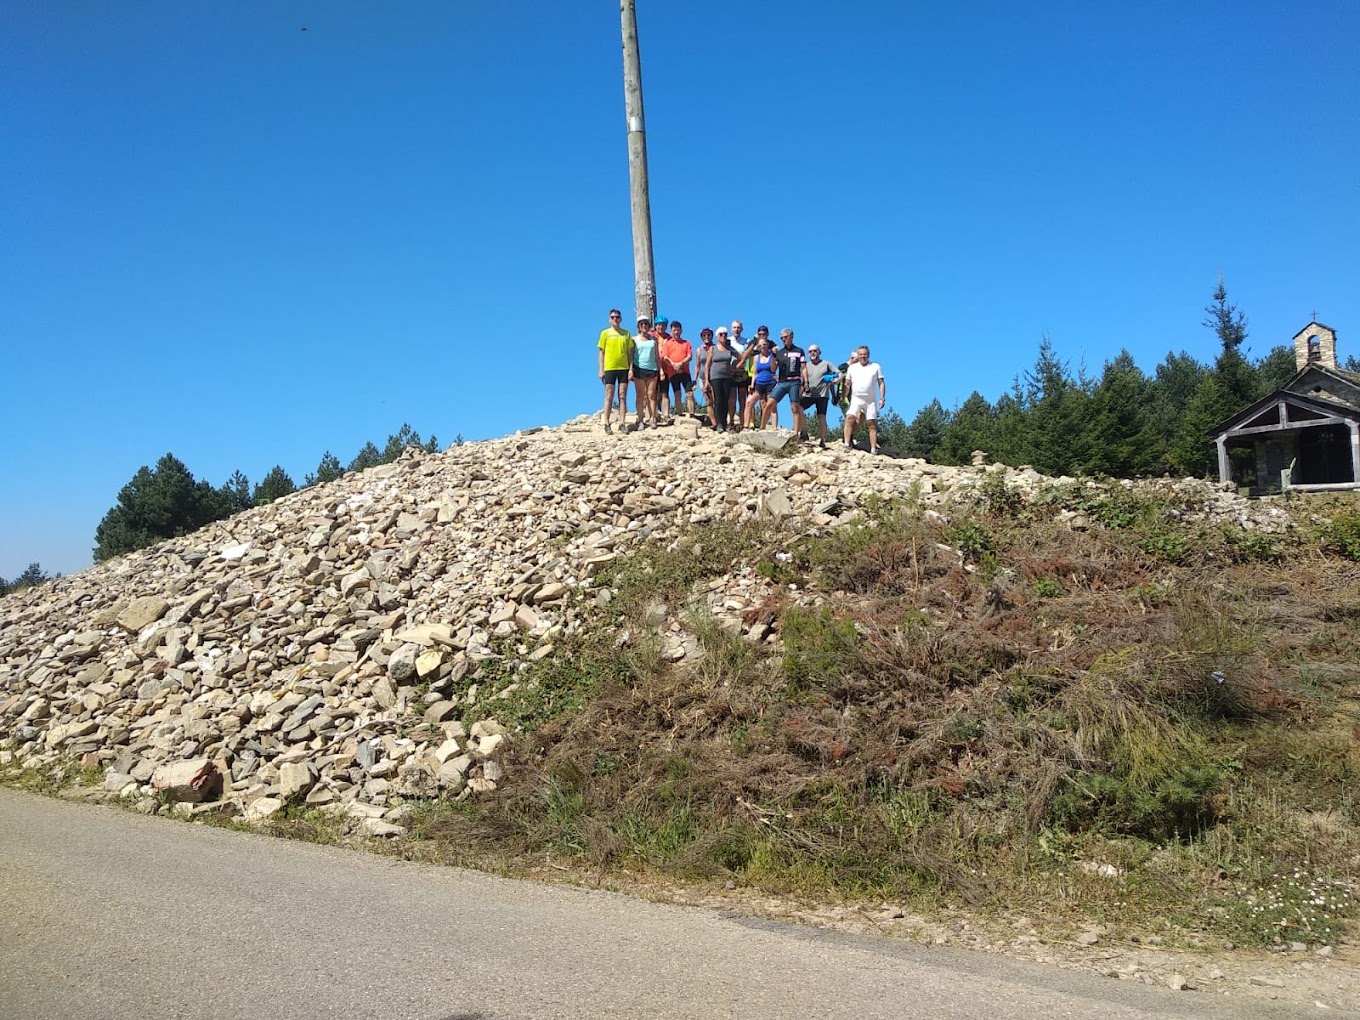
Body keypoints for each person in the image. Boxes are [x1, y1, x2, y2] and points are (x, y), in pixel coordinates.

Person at [843, 345, 887, 454]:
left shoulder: (875, 366)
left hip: (870, 400)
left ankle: (873, 449)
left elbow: (881, 383)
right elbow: (847, 383)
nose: (863, 356)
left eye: (865, 354)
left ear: (868, 355)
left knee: (871, 423)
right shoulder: (852, 368)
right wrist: (844, 396)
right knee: (849, 418)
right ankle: (846, 444)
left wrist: (882, 398)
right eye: (861, 354)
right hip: (856, 398)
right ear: (858, 355)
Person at [597, 308, 633, 434]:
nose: (615, 319)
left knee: (622, 396)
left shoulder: (626, 333)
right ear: (609, 319)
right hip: (610, 368)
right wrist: (601, 369)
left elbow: (630, 353)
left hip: (623, 368)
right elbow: (601, 352)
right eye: (612, 317)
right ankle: (606, 423)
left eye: (617, 317)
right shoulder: (605, 333)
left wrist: (631, 369)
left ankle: (622, 423)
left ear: (621, 319)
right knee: (609, 395)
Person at [771, 327, 807, 439]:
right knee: (770, 403)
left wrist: (806, 382)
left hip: (795, 381)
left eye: (785, 337)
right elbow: (773, 369)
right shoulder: (780, 353)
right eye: (781, 338)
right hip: (782, 382)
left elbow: (803, 368)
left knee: (795, 407)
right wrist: (773, 356)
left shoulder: (799, 351)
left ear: (791, 336)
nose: (783, 340)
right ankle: (764, 428)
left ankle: (796, 433)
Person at [800, 343, 838, 449]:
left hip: (823, 394)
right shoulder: (805, 366)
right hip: (809, 394)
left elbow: (838, 373)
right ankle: (803, 432)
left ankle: (822, 440)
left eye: (815, 351)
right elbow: (801, 380)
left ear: (819, 352)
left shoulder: (826, 364)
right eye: (810, 351)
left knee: (821, 417)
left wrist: (835, 381)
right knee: (798, 408)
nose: (812, 353)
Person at [738, 332, 779, 429]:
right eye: (760, 345)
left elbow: (774, 369)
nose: (762, 346)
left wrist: (773, 357)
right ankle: (746, 426)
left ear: (768, 345)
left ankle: (774, 428)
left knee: (771, 406)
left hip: (770, 383)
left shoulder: (772, 357)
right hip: (759, 383)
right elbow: (755, 373)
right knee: (749, 402)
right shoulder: (756, 357)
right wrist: (752, 384)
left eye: (764, 344)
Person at [704, 327, 739, 432]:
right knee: (718, 399)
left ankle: (724, 422)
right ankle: (719, 423)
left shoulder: (729, 349)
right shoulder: (713, 349)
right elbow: (707, 365)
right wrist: (706, 381)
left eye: (725, 334)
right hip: (715, 377)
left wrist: (734, 367)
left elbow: (741, 357)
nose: (723, 336)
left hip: (727, 377)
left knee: (726, 400)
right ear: (717, 337)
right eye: (721, 334)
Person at [661, 320, 695, 420]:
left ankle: (692, 414)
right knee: (677, 394)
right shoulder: (667, 344)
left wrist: (681, 363)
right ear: (671, 331)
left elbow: (690, 356)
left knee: (689, 393)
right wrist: (673, 364)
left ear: (681, 331)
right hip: (673, 372)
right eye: (674, 330)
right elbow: (665, 357)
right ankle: (680, 414)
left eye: (677, 330)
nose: (676, 332)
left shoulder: (686, 343)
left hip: (685, 372)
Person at [632, 315, 662, 429]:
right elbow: (631, 355)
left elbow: (657, 356)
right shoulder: (634, 339)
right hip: (639, 368)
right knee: (640, 395)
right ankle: (640, 419)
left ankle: (652, 418)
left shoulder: (654, 340)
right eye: (642, 324)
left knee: (651, 395)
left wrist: (661, 370)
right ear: (639, 327)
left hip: (652, 369)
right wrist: (630, 370)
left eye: (646, 324)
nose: (644, 326)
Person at [727, 321, 751, 431]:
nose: (736, 329)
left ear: (741, 329)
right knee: (732, 399)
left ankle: (742, 422)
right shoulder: (727, 340)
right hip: (731, 373)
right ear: (731, 329)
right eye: (734, 327)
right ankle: (731, 421)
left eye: (738, 327)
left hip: (742, 373)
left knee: (742, 399)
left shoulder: (746, 341)